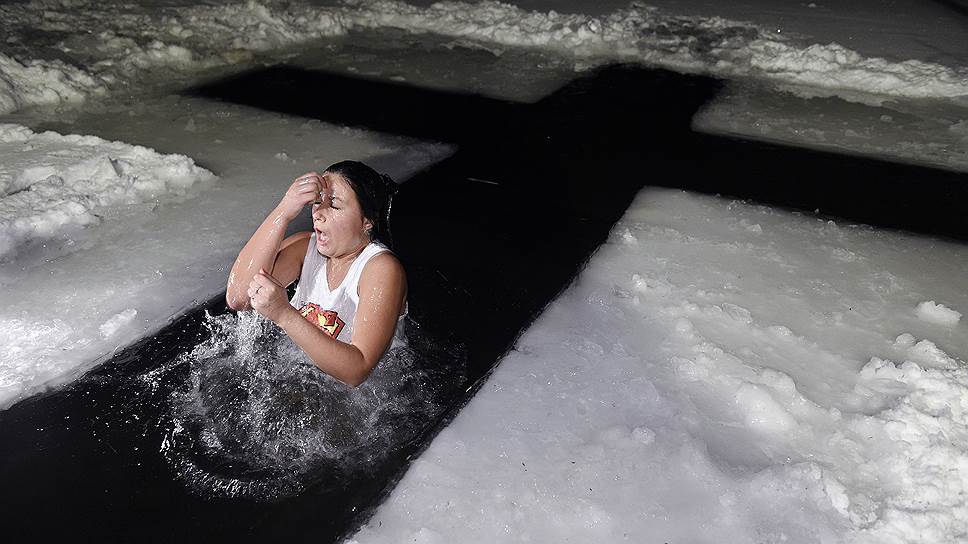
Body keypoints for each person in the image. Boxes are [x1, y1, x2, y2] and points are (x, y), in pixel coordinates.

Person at [225, 161, 407, 387]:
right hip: (307, 384)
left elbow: (357, 371)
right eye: (318, 201)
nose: (319, 213)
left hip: (368, 402)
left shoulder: (380, 268)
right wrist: (283, 211)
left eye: (335, 205)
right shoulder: (304, 247)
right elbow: (239, 298)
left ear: (367, 221)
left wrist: (283, 314)